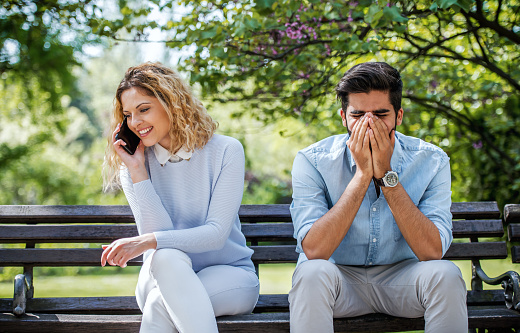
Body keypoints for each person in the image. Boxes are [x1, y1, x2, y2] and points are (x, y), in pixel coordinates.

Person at [289, 62, 468, 332]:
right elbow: (315, 250)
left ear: (399, 116)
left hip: (403, 280)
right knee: (310, 272)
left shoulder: (432, 161)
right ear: (343, 117)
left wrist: (385, 173)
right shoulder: (312, 161)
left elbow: (432, 251)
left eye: (381, 114)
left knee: (446, 275)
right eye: (358, 114)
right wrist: (362, 176)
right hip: (338, 282)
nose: (369, 124)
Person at [101, 62, 259, 333]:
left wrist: (150, 241)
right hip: (159, 277)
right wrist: (138, 170)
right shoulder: (134, 166)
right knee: (166, 259)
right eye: (128, 115)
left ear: (171, 103)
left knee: (158, 306)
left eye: (144, 109)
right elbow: (160, 244)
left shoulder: (225, 151)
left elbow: (216, 234)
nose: (135, 123)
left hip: (229, 275)